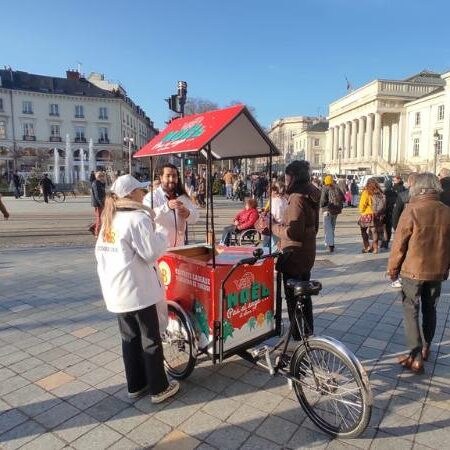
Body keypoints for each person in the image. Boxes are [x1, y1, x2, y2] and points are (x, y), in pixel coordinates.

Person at [95, 174, 179, 403]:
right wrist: (161, 235)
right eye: (140, 191)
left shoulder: (109, 218)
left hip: (117, 292)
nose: (144, 194)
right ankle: (159, 388)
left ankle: (136, 384)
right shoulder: (136, 218)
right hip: (137, 292)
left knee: (129, 339)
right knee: (150, 339)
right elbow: (151, 253)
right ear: (131, 194)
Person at [387, 173, 450, 374]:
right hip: (436, 270)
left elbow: (399, 245)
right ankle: (425, 347)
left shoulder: (412, 210)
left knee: (410, 309)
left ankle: (414, 356)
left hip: (412, 270)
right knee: (430, 308)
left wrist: (393, 270)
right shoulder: (446, 211)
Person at [268, 160, 320, 340]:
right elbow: (311, 227)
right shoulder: (311, 194)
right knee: (304, 297)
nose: (285, 180)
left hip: (294, 256)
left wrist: (273, 227)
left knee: (293, 298)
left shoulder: (297, 198)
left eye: (287, 177)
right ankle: (307, 331)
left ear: (294, 178)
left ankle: (299, 336)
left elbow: (293, 233)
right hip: (307, 253)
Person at [143, 164, 199, 248]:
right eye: (168, 176)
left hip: (180, 248)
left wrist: (188, 213)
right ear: (161, 178)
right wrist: (166, 207)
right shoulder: (151, 197)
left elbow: (195, 217)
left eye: (174, 176)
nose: (171, 179)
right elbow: (147, 217)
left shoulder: (183, 197)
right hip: (161, 250)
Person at [358, 178, 386, 254]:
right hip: (376, 214)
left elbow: (362, 204)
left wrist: (361, 211)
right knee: (374, 231)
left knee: (363, 230)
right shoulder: (379, 192)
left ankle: (367, 247)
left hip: (366, 214)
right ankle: (375, 248)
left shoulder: (366, 192)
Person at [320, 175, 343, 253]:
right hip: (336, 211)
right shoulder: (337, 187)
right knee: (332, 228)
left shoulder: (325, 188)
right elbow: (343, 198)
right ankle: (332, 243)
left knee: (327, 228)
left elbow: (322, 201)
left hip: (327, 210)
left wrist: (321, 205)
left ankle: (330, 245)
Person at [381, 179, 397, 249]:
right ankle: (387, 242)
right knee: (388, 228)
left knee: (382, 228)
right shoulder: (395, 193)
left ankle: (383, 242)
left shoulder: (383, 193)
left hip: (383, 212)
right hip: (391, 212)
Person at [90, 171, 106, 237]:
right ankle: (97, 232)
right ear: (97, 177)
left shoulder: (99, 183)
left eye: (102, 176)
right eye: (100, 176)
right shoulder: (96, 183)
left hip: (100, 203)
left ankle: (93, 228)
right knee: (99, 218)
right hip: (98, 204)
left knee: (101, 218)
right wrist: (102, 204)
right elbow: (97, 195)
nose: (102, 177)